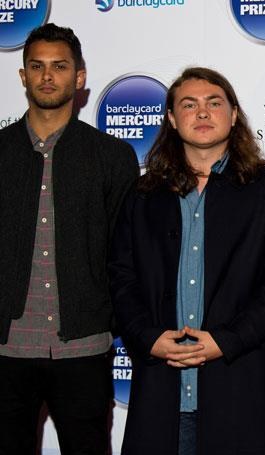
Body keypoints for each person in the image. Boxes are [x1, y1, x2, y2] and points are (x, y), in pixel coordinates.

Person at [108, 67, 265, 455]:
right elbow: (121, 277)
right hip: (160, 388)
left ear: (233, 115)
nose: (203, 113)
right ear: (172, 119)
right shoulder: (144, 194)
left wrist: (226, 341)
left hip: (237, 384)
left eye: (214, 103)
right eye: (189, 105)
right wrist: (149, 338)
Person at [0, 23, 139, 454]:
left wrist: (108, 320)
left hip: (84, 347)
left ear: (79, 77)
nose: (47, 76)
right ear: (22, 75)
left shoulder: (112, 155)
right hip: (5, 351)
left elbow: (126, 250)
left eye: (59, 66)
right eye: (37, 66)